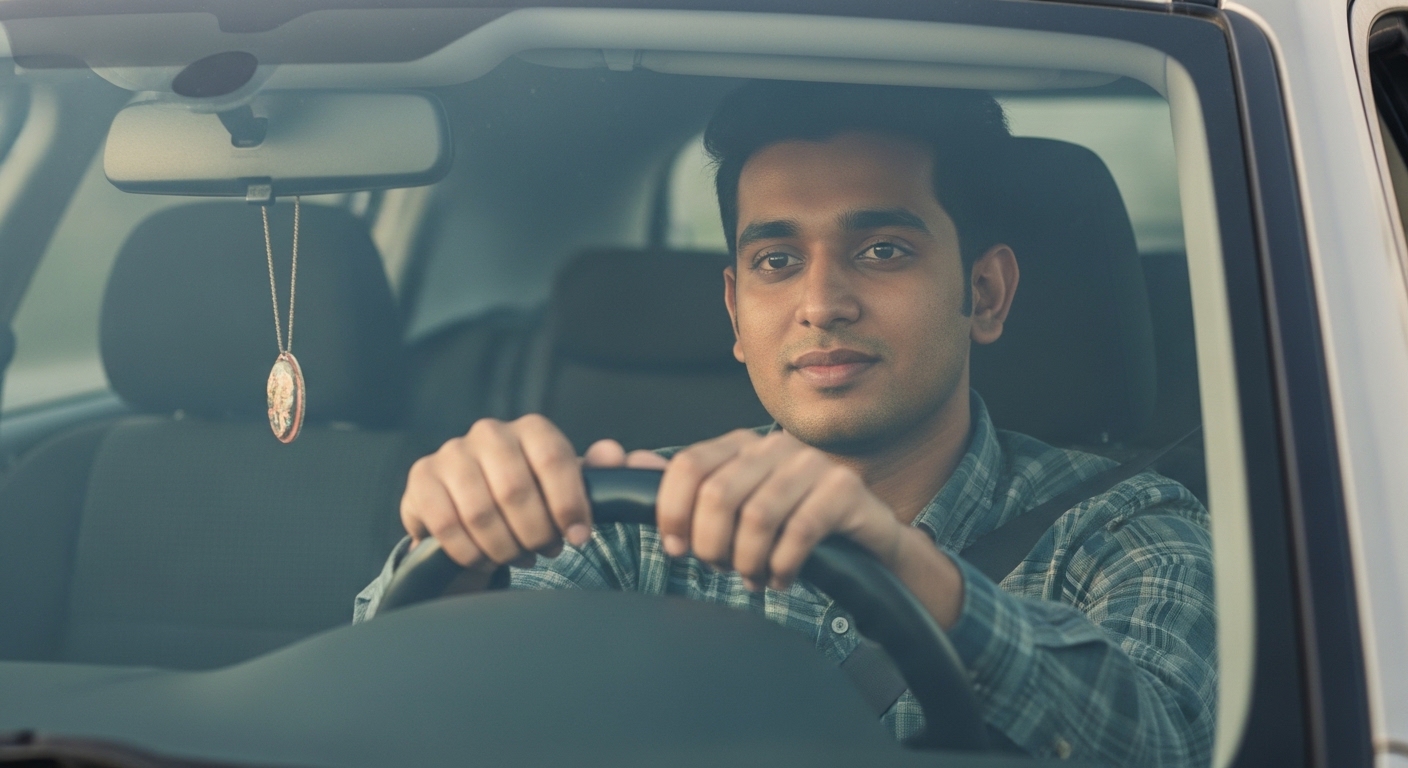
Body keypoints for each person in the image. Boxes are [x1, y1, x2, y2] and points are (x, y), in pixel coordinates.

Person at [355, 81, 1216, 766]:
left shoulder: (1126, 527)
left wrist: (909, 570)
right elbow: (390, 715)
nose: (821, 303)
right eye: (776, 260)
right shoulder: (630, 518)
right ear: (736, 310)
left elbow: (1170, 743)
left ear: (984, 293)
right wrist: (463, 559)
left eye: (882, 250)